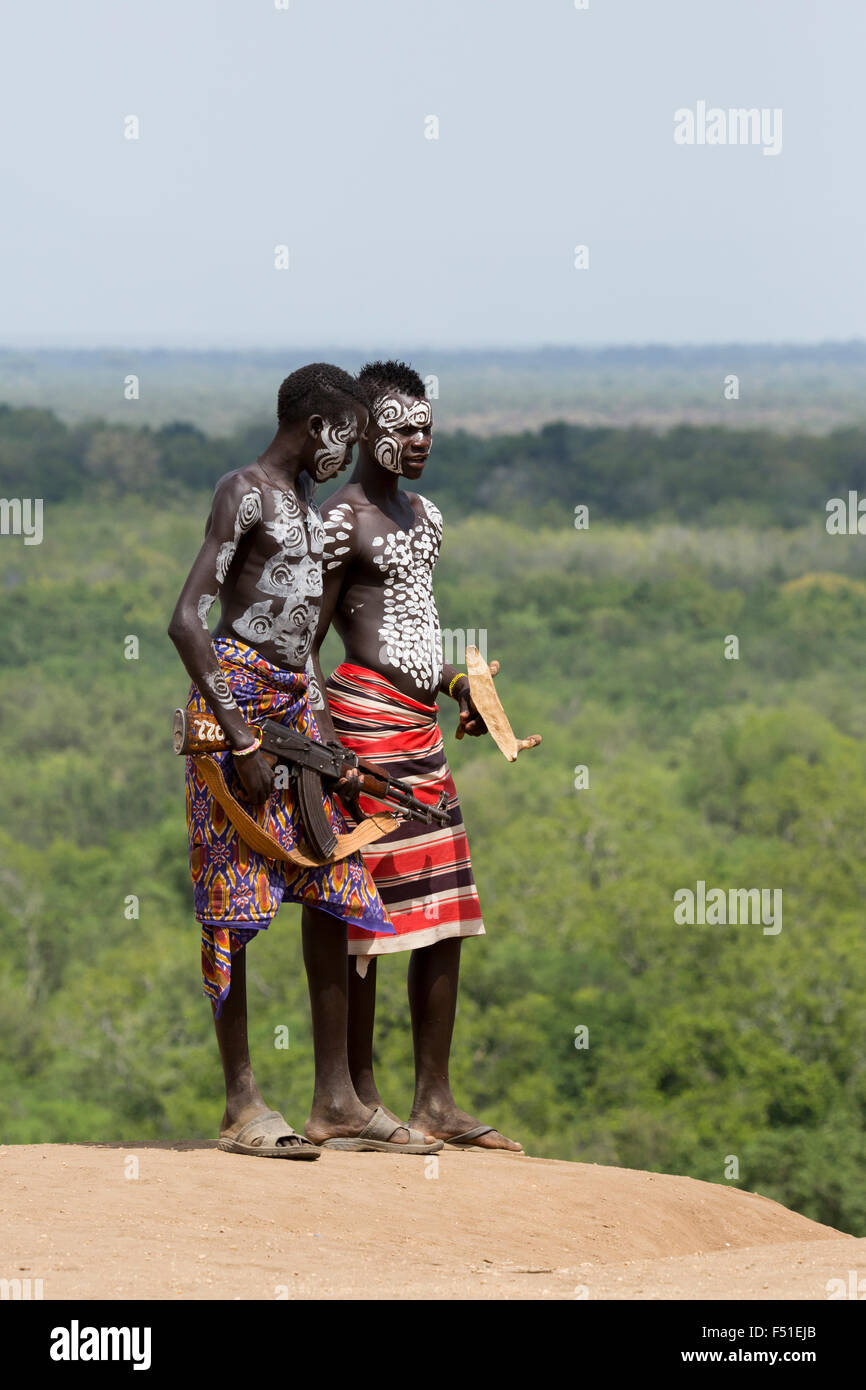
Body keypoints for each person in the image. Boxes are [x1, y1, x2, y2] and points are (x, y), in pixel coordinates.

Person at [168, 362, 441, 1158]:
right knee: (232, 901)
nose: (349, 453)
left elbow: (303, 639)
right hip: (238, 715)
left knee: (336, 883)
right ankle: (242, 1103)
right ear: (320, 428)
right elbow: (188, 621)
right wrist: (242, 738)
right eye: (347, 435)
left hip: (297, 710)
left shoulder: (304, 505)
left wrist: (319, 737)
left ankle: (338, 1102)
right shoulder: (244, 490)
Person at [307, 360, 523, 1151]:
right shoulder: (342, 520)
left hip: (419, 728)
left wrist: (458, 685)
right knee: (367, 914)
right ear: (367, 432)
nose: (419, 440)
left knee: (444, 913)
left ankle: (435, 1099)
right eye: (402, 428)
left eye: (426, 426)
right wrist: (317, 740)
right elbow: (309, 639)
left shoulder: (426, 518)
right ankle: (352, 1099)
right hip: (361, 730)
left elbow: (415, 628)